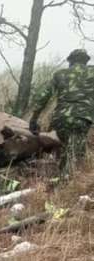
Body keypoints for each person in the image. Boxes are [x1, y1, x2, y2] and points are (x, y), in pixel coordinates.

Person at [30, 48, 94, 176]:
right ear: (86, 60)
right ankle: (62, 185)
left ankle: (47, 181)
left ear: (70, 61)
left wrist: (34, 119)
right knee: (73, 158)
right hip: (81, 120)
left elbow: (42, 97)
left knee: (62, 153)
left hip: (60, 120)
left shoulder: (60, 74)